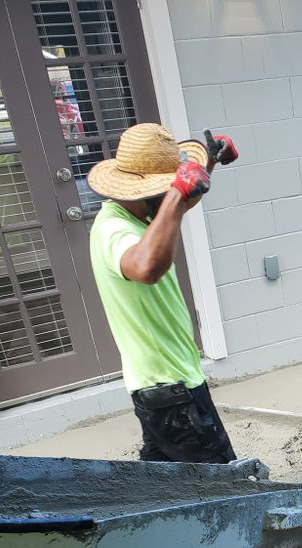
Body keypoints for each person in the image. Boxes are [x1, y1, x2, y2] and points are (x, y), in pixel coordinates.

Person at [87, 122, 239, 464]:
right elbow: (146, 268)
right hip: (172, 390)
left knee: (159, 480)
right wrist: (175, 193)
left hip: (160, 387)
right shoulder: (115, 229)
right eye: (167, 190)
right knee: (225, 487)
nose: (176, 197)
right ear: (148, 193)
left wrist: (208, 165)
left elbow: (179, 207)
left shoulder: (142, 216)